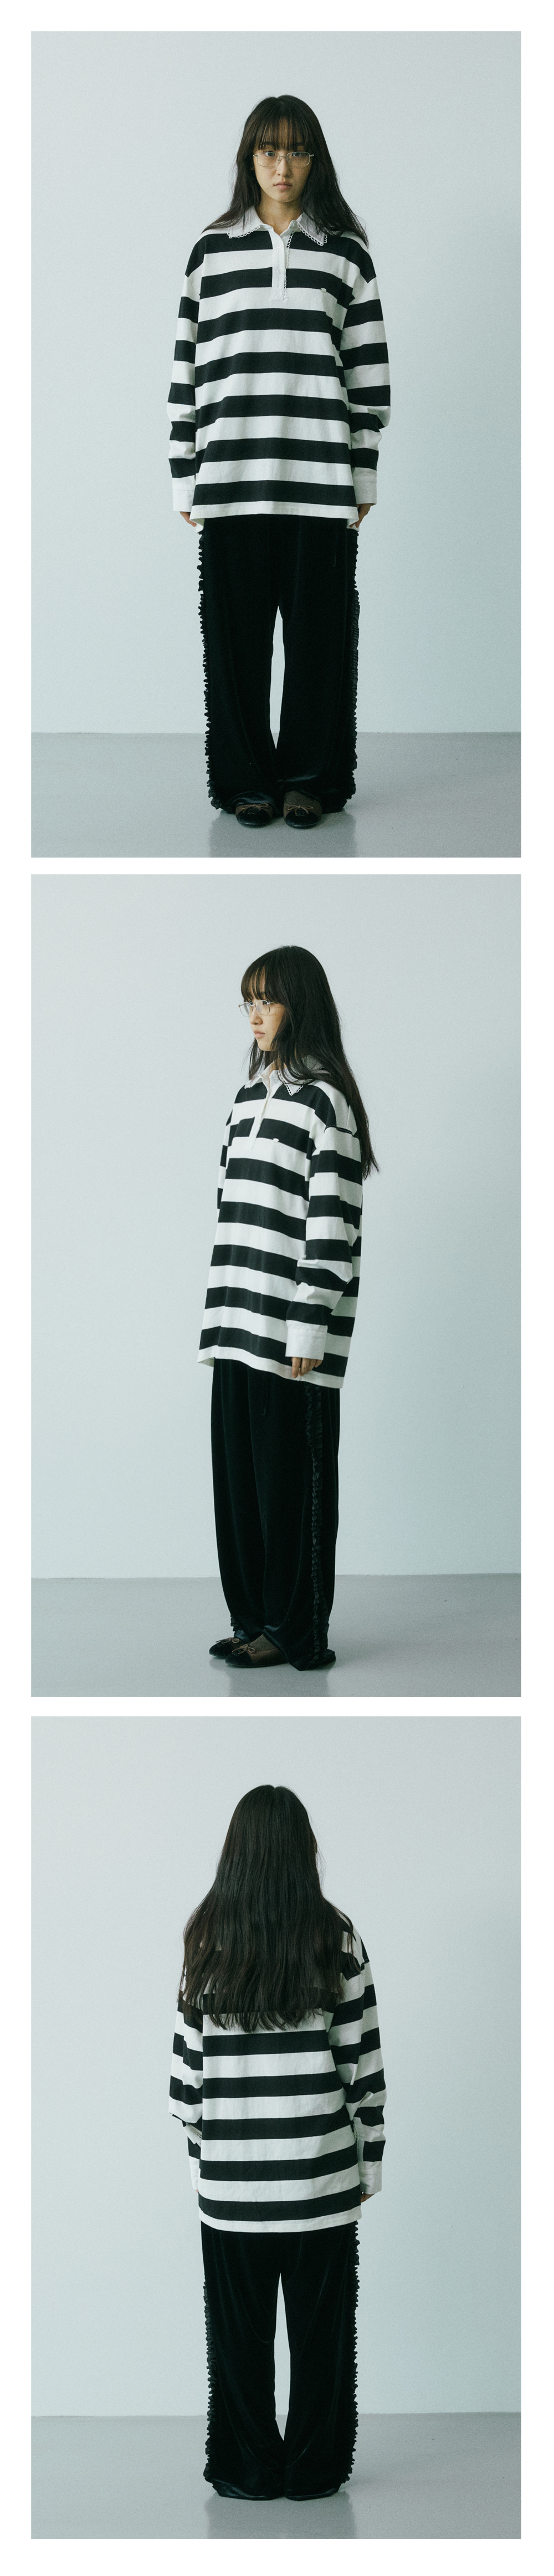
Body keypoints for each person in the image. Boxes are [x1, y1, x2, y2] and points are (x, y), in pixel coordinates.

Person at [167, 94, 390, 828]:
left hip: (321, 482)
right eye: (269, 150)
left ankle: (310, 780)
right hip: (231, 481)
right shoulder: (211, 251)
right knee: (234, 645)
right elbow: (187, 371)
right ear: (249, 159)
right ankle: (245, 782)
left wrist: (362, 474)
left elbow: (368, 377)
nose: (282, 165)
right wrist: (185, 474)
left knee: (320, 641)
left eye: (296, 150)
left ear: (315, 160)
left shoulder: (346, 254)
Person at [170, 1783, 386, 2501]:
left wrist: (207, 2163)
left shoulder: (206, 1939)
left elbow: (187, 2083)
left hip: (232, 2188)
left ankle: (246, 2469)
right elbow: (362, 2068)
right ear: (303, 1850)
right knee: (323, 2341)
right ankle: (315, 2470)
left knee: (238, 2342)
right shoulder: (337, 1936)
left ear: (235, 1852)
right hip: (321, 2181)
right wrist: (367, 2167)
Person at [198, 943, 377, 1671]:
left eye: (267, 1000)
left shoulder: (325, 1103)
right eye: (248, 1001)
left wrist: (308, 1325)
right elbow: (231, 1213)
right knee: (241, 1488)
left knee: (292, 1490)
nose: (255, 1015)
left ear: (300, 1005)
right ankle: (253, 1619)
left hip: (290, 1335)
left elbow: (332, 1225)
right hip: (235, 1324)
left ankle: (295, 1630)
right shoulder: (248, 1098)